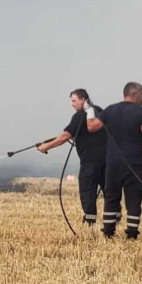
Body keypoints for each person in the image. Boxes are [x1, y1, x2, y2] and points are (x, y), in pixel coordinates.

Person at [88, 82, 142, 239]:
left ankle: (108, 233)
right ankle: (132, 234)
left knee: (111, 198)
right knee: (134, 199)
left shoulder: (110, 110)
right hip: (133, 163)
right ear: (134, 94)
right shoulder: (141, 113)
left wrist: (89, 111)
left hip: (112, 163)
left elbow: (92, 127)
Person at [37, 89, 107, 225]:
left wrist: (45, 147)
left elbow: (65, 136)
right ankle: (113, 224)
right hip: (107, 162)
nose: (72, 104)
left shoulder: (80, 116)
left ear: (83, 100)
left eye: (74, 101)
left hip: (89, 163)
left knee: (87, 194)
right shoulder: (100, 111)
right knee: (110, 194)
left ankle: (89, 224)